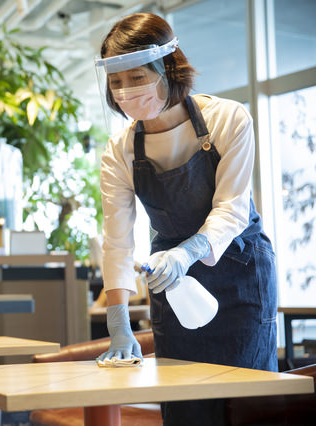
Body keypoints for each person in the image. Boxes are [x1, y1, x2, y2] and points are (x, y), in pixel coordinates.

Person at [95, 13, 277, 426]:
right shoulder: (120, 151)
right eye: (116, 82)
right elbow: (118, 242)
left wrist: (189, 251)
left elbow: (231, 208)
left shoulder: (228, 119)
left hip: (241, 274)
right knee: (185, 409)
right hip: (173, 286)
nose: (124, 92)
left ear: (170, 67)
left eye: (136, 77)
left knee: (247, 402)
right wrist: (118, 323)